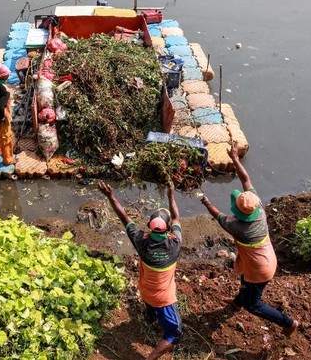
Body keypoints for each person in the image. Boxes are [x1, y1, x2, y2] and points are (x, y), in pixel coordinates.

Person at [200, 141, 299, 337]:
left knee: (253, 305)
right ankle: (237, 303)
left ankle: (288, 323)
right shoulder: (258, 208)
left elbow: (218, 215)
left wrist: (205, 201)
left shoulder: (237, 227)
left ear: (238, 212)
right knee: (246, 284)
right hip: (263, 260)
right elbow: (245, 179)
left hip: (260, 270)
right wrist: (235, 158)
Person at [97, 181, 183, 360]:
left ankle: (151, 318)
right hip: (164, 298)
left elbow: (124, 218)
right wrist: (170, 194)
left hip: (145, 290)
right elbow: (177, 218)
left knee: (151, 305)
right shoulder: (175, 242)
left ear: (149, 227)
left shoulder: (141, 241)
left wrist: (111, 196)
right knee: (175, 333)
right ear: (168, 230)